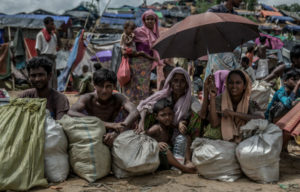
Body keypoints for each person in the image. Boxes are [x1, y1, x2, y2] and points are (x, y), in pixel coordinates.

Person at [136, 67, 202, 166]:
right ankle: (146, 144)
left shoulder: (189, 100)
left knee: (195, 119)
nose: (178, 85)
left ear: (187, 84)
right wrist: (141, 122)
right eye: (175, 81)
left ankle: (188, 159)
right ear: (170, 83)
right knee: (147, 113)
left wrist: (182, 123)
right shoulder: (163, 96)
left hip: (178, 132)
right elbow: (145, 106)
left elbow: (201, 112)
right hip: (161, 130)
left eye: (182, 81)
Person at [68, 68, 138, 147]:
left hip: (113, 132)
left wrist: (118, 130)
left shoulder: (118, 98)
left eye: (108, 86)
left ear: (114, 86)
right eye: (100, 86)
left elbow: (134, 111)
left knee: (128, 116)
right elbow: (71, 112)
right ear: (94, 85)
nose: (104, 90)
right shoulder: (87, 98)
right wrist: (109, 124)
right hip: (93, 130)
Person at [208, 70, 264, 143]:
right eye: (231, 83)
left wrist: (233, 113)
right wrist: (212, 98)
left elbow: (260, 119)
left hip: (244, 137)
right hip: (224, 138)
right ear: (227, 85)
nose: (234, 86)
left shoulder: (249, 102)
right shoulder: (219, 99)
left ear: (244, 86)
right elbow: (214, 124)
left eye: (238, 83)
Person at [123, 10, 163, 104]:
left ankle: (141, 106)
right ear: (144, 21)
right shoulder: (138, 31)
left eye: (152, 19)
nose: (149, 21)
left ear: (155, 20)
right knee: (133, 84)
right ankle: (130, 105)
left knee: (144, 87)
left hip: (147, 64)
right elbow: (127, 40)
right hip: (135, 63)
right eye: (147, 19)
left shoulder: (155, 34)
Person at [146, 98, 196, 173]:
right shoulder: (156, 128)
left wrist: (181, 124)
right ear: (156, 117)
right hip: (159, 157)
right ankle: (184, 168)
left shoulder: (171, 127)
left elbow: (182, 132)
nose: (167, 118)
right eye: (163, 115)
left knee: (185, 137)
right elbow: (143, 139)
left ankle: (187, 161)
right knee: (165, 148)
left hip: (171, 158)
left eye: (170, 114)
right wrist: (156, 144)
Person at [35, 17, 61, 90]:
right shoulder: (40, 35)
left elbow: (59, 45)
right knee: (46, 77)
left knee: (53, 77)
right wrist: (39, 62)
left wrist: (57, 33)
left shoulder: (54, 35)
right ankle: (46, 93)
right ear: (46, 25)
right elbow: (37, 49)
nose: (53, 25)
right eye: (51, 24)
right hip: (45, 58)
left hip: (52, 58)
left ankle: (54, 92)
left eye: (53, 24)